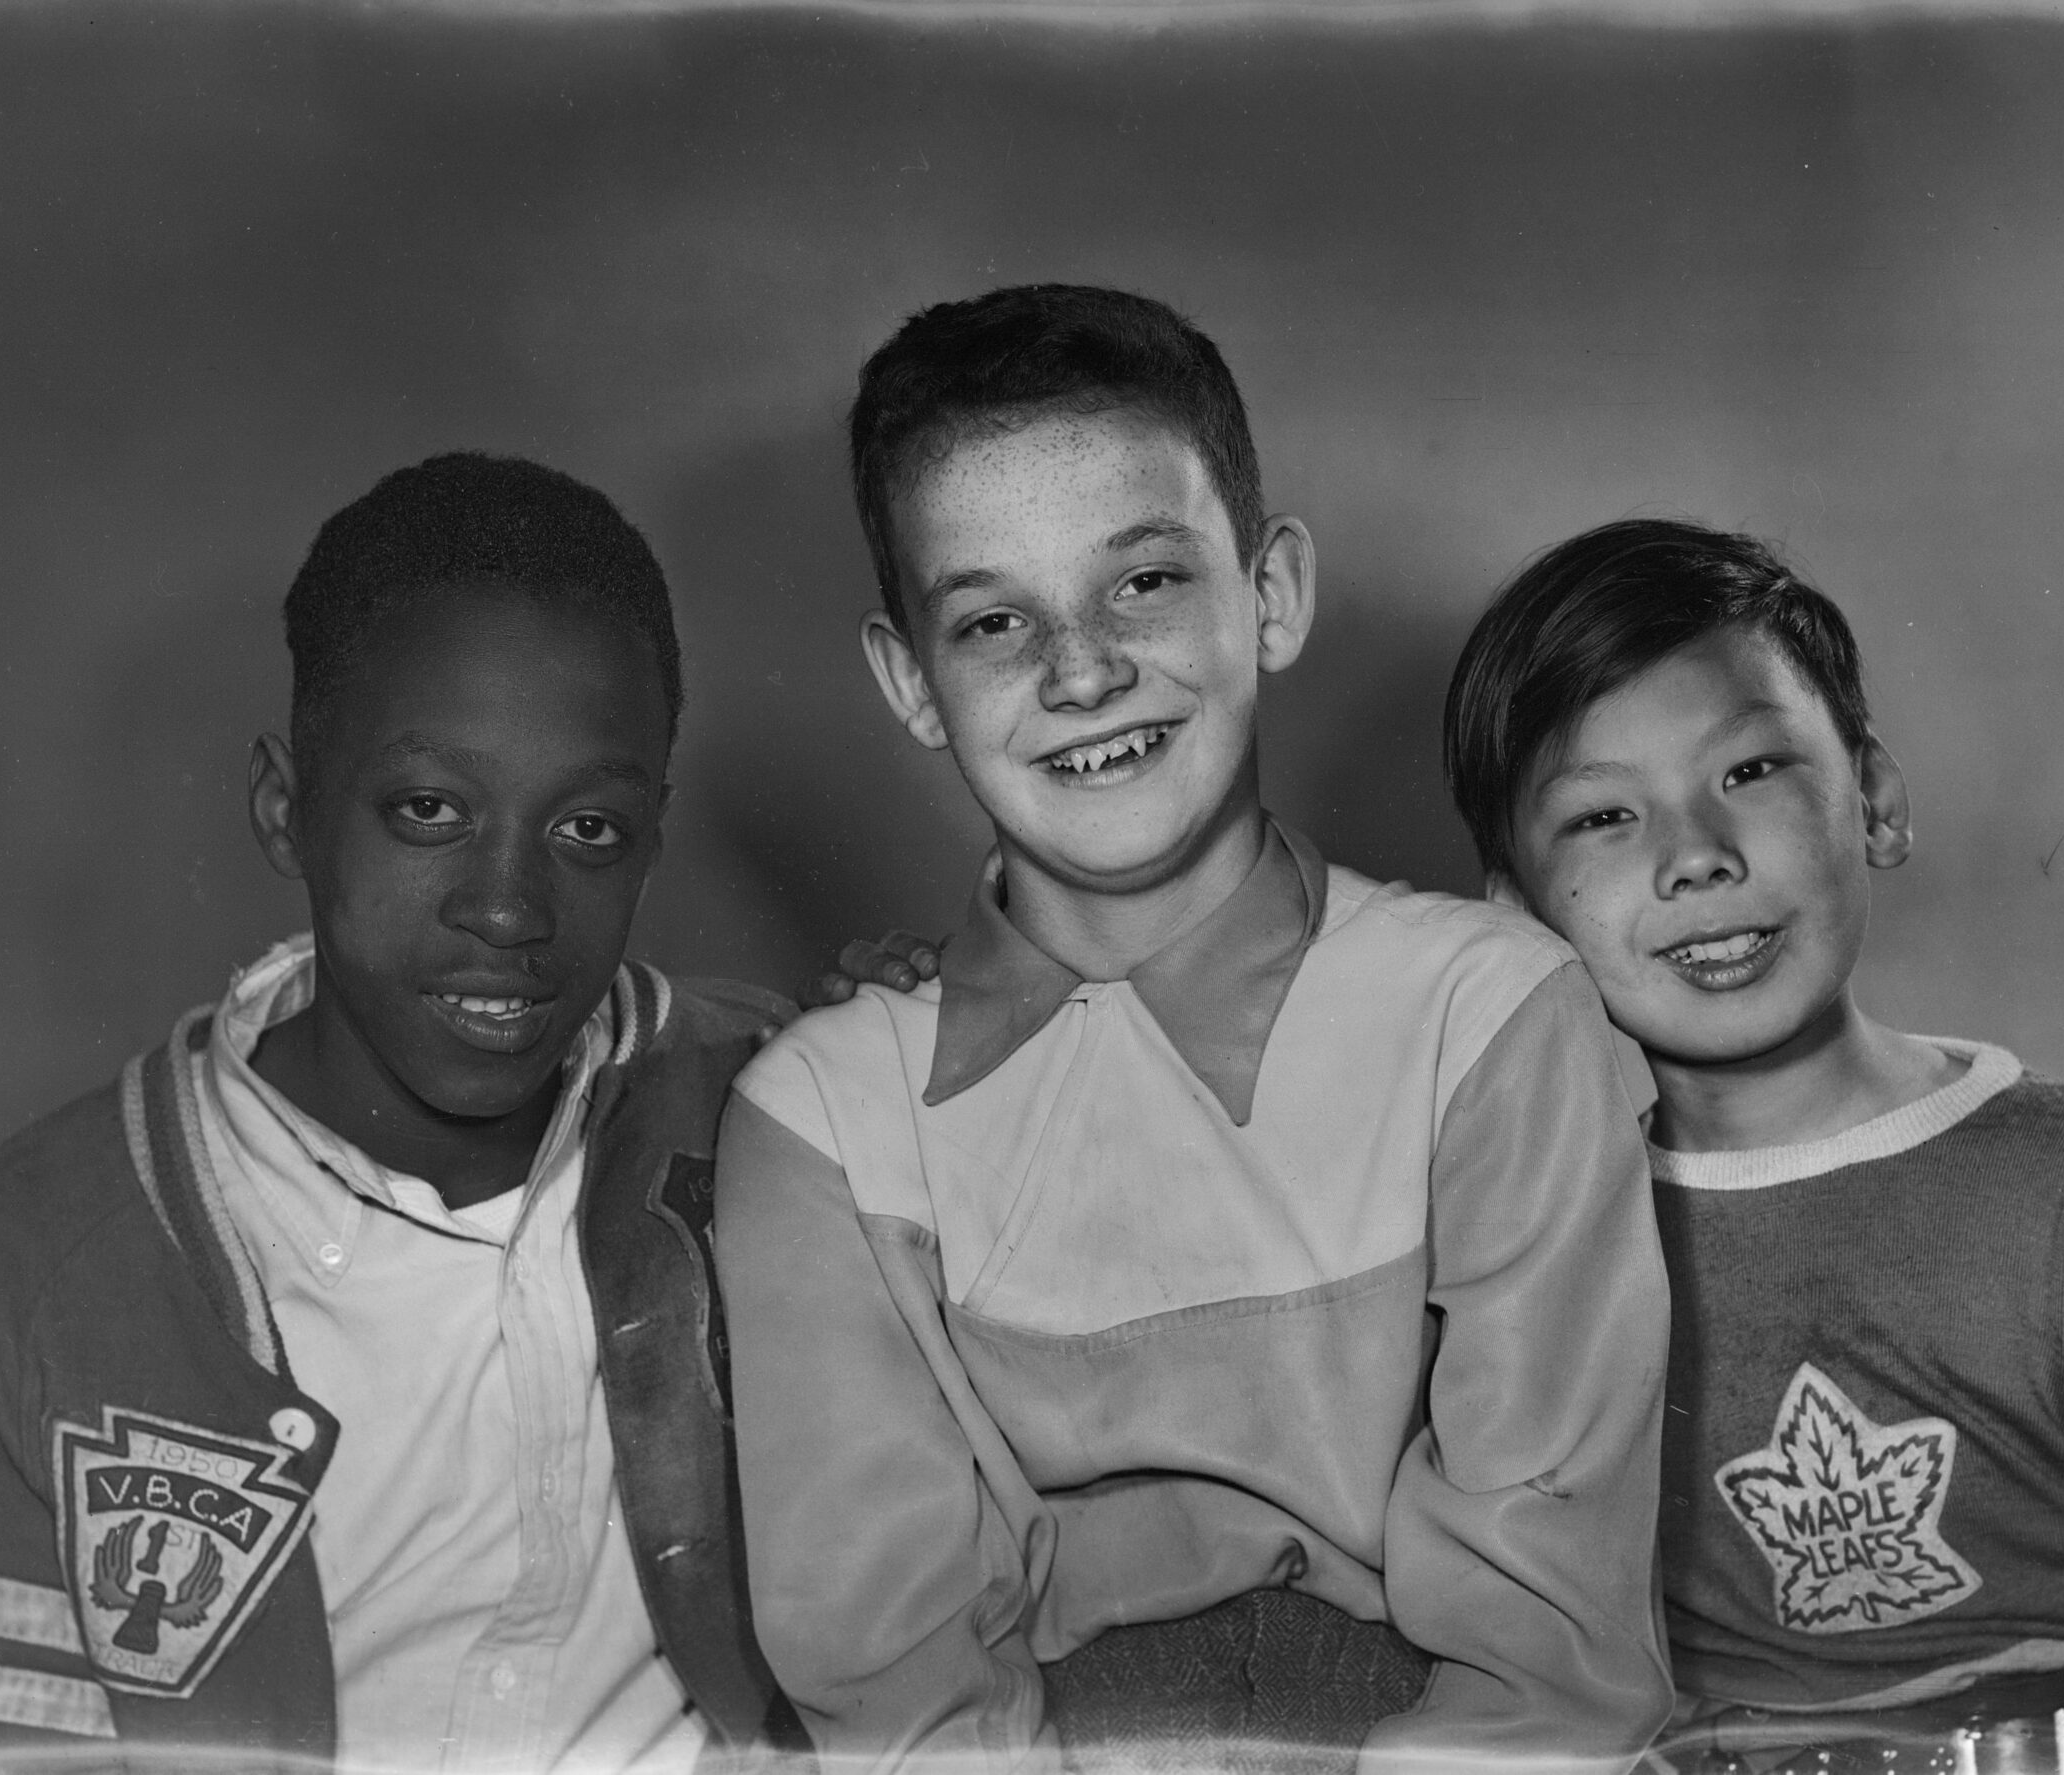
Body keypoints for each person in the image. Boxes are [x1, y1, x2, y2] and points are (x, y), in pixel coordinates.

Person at [713, 284, 1674, 1775]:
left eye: (1145, 582)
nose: (1080, 668)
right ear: (911, 681)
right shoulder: (825, 1120)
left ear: (1271, 591)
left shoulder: (1488, 1014)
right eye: (991, 620)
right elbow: (893, 1675)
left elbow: (1548, 1646)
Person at [0, 453, 802, 1771]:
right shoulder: (10, 1292)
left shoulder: (782, 1115)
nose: (509, 907)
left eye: (587, 826)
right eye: (428, 810)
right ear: (286, 804)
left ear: (651, 837)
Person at [1439, 517, 2064, 1772]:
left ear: (1875, 799)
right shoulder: (1525, 1248)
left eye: (1748, 773)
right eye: (1603, 816)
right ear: (1517, 921)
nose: (1695, 859)